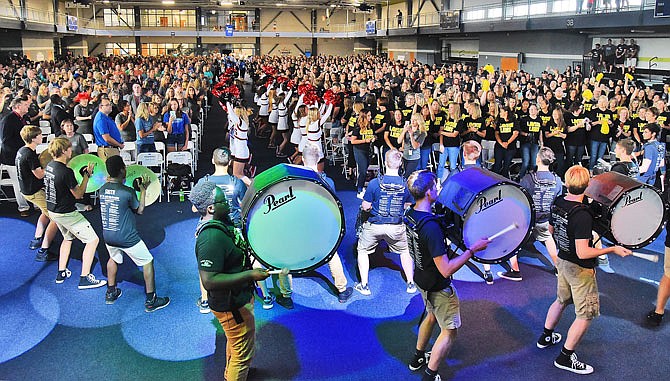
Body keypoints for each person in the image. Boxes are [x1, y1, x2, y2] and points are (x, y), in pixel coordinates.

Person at [537, 165, 631, 375]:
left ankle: (546, 336)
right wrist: (612, 249)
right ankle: (565, 357)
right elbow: (583, 252)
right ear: (588, 185)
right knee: (585, 315)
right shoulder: (582, 216)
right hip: (579, 269)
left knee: (561, 300)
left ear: (566, 183)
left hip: (562, 261)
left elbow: (550, 230)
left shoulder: (559, 202)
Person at [405, 169, 489, 381]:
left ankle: (417, 358)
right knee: (449, 331)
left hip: (422, 278)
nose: (439, 189)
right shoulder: (431, 227)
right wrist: (472, 250)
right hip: (438, 285)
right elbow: (446, 269)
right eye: (436, 186)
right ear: (428, 193)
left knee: (431, 315)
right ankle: (430, 374)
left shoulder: (411, 215)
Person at [190, 180, 270, 381]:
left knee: (238, 344)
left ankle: (232, 373)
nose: (227, 202)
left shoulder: (223, 223)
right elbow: (209, 280)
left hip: (238, 297)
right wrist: (250, 275)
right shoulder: (210, 238)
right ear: (211, 208)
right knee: (241, 352)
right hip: (230, 305)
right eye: (223, 200)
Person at [99, 155, 170, 312]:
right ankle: (151, 300)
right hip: (127, 237)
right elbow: (140, 210)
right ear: (122, 170)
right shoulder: (127, 192)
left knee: (113, 258)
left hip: (108, 235)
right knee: (147, 261)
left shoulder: (102, 189)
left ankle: (111, 292)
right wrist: (143, 190)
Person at [44, 137, 107, 289]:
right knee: (93, 240)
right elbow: (78, 194)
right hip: (67, 213)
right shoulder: (66, 171)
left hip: (53, 211)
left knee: (68, 238)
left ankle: (61, 272)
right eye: (69, 148)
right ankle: (85, 278)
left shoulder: (49, 166)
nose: (71, 150)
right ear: (64, 151)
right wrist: (87, 175)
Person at [193, 146, 249, 312]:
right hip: (232, 228)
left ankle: (204, 301)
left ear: (212, 160)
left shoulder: (204, 182)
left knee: (204, 266)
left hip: (207, 229)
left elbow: (195, 209)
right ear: (230, 162)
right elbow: (244, 205)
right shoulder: (237, 183)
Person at [355, 148, 415, 296]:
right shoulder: (406, 184)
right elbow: (408, 205)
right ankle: (411, 283)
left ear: (385, 163)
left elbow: (366, 206)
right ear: (400, 163)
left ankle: (364, 285)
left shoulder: (375, 183)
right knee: (405, 251)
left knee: (362, 251)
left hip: (375, 226)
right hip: (396, 227)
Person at [302, 142, 353, 303]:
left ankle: (286, 295)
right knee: (332, 255)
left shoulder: (295, 179)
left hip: (301, 225)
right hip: (322, 226)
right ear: (318, 161)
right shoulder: (328, 182)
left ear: (303, 160)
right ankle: (342, 290)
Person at [502, 147, 562, 281]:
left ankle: (515, 270)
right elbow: (557, 200)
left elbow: (520, 197)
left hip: (527, 218)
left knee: (512, 237)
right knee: (547, 238)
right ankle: (559, 268)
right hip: (545, 218)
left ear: (538, 159)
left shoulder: (529, 179)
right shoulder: (557, 180)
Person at [15, 125, 59, 261]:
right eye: (39, 135)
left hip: (26, 190)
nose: (42, 137)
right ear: (33, 138)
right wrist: (52, 167)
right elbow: (39, 175)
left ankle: (37, 238)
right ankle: (43, 251)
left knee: (44, 212)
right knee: (55, 217)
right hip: (34, 192)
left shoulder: (22, 151)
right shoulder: (30, 154)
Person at [0, 95, 31, 216]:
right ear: (18, 106)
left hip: (25, 155)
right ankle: (23, 207)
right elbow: (5, 141)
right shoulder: (8, 119)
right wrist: (20, 151)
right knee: (18, 182)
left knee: (28, 180)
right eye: (25, 104)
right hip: (12, 157)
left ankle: (32, 202)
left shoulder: (25, 118)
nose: (27, 106)